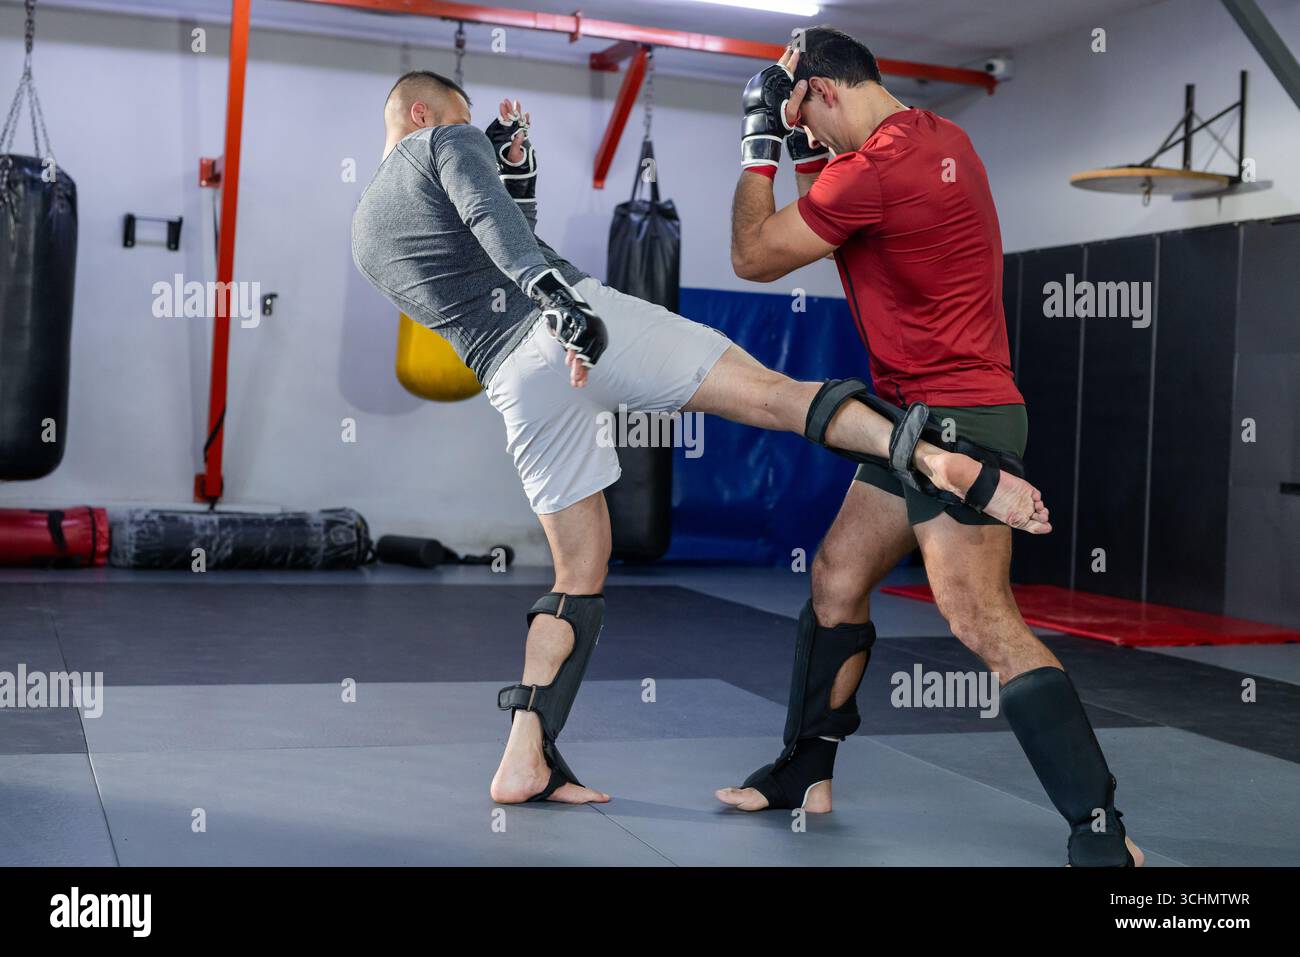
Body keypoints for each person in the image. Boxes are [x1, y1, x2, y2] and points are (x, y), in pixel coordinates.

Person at [350, 71, 1051, 811]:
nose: (473, 133)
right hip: (572, 322)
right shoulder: (444, 139)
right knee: (772, 394)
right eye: (463, 119)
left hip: (511, 380)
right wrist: (553, 292)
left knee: (577, 573)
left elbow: (484, 254)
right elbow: (497, 225)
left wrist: (516, 175)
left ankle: (524, 758)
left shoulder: (366, 233)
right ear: (423, 113)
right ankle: (936, 458)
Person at [716, 28, 1141, 867]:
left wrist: (760, 146)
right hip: (912, 418)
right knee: (838, 573)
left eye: (807, 117)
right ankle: (807, 769)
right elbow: (838, 220)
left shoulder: (873, 169)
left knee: (980, 616)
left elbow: (752, 255)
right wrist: (806, 139)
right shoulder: (941, 141)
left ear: (829, 93)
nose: (808, 136)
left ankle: (1100, 830)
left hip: (961, 418)